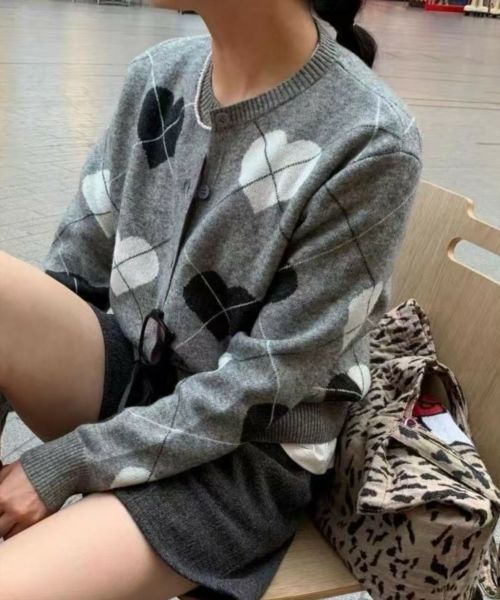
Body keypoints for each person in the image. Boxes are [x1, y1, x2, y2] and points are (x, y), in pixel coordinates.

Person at [0, 0, 422, 598]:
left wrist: (65, 463)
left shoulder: (372, 139)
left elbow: (259, 389)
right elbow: (71, 278)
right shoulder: (158, 76)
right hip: (138, 381)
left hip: (241, 459)